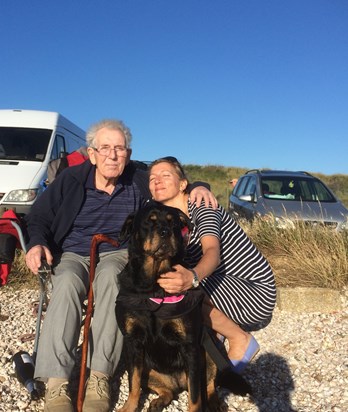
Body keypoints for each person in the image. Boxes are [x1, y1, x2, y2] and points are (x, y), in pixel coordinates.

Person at [24, 120, 217, 412]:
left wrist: (200, 185)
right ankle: (56, 383)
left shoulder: (137, 180)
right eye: (105, 148)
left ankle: (99, 376)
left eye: (119, 148)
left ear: (127, 153)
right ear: (91, 153)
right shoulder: (71, 180)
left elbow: (170, 184)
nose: (112, 155)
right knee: (64, 285)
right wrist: (37, 243)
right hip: (74, 253)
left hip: (116, 252)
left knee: (113, 279)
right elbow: (38, 215)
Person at [148, 157, 276, 374]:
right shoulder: (168, 220)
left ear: (182, 184)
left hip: (254, 292)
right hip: (225, 286)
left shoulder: (202, 206)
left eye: (165, 176)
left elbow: (212, 252)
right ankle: (213, 330)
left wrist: (192, 278)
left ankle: (239, 338)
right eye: (152, 178)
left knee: (185, 289)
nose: (157, 181)